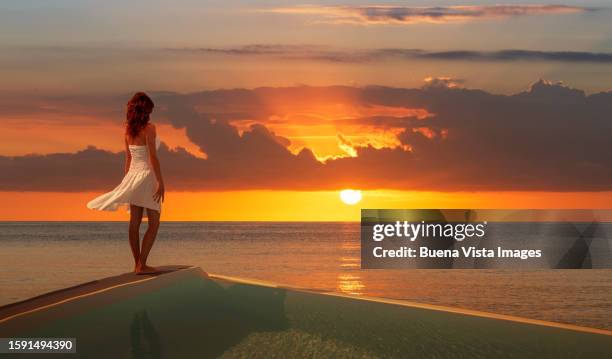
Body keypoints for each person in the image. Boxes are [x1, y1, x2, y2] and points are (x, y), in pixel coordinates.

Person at [87, 92, 165, 274]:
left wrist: (126, 181)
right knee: (154, 222)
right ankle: (142, 264)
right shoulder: (150, 128)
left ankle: (137, 264)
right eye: (150, 111)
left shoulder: (129, 131)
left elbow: (128, 159)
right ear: (145, 111)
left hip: (132, 176)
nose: (151, 114)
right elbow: (153, 157)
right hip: (147, 176)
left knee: (134, 221)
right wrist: (161, 182)